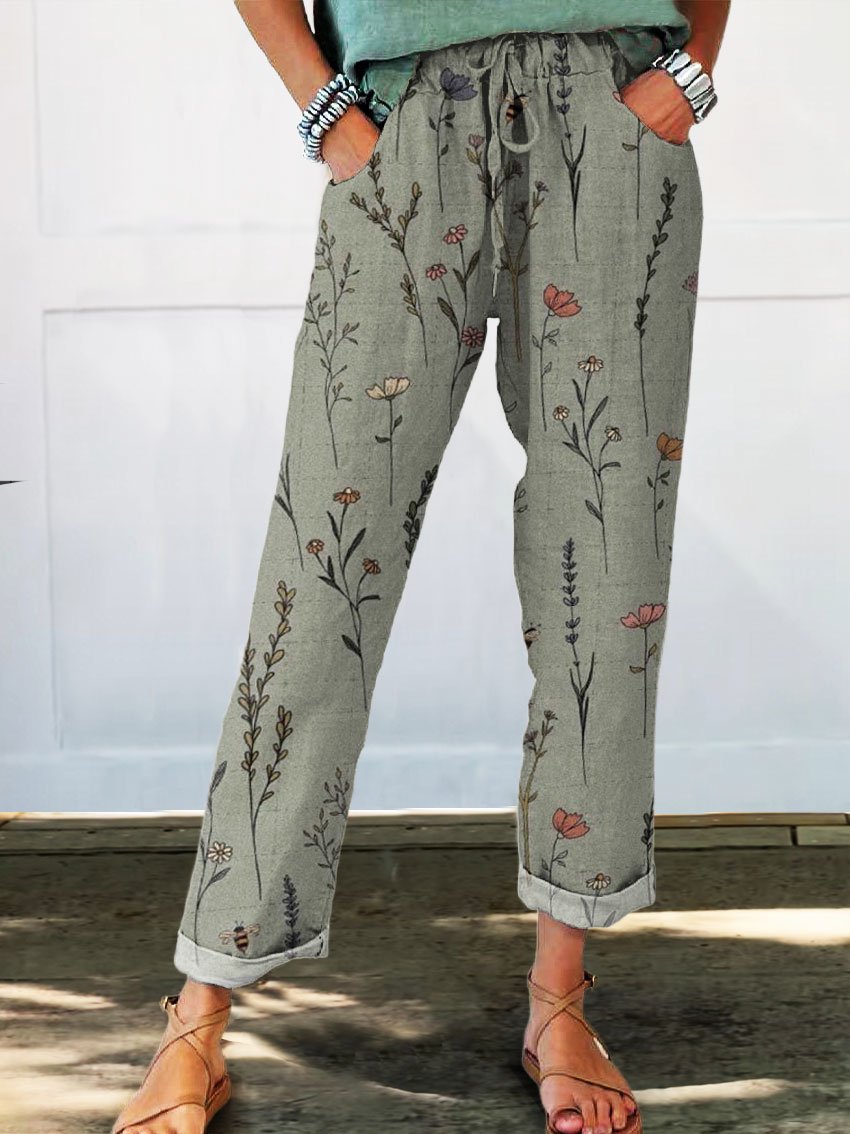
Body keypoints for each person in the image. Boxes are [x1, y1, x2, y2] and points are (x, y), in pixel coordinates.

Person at [111, 2, 730, 1133]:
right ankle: (200, 1004)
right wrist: (326, 109)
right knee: (319, 576)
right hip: (402, 121)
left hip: (614, 111)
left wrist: (688, 71)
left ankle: (559, 1001)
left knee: (607, 574)